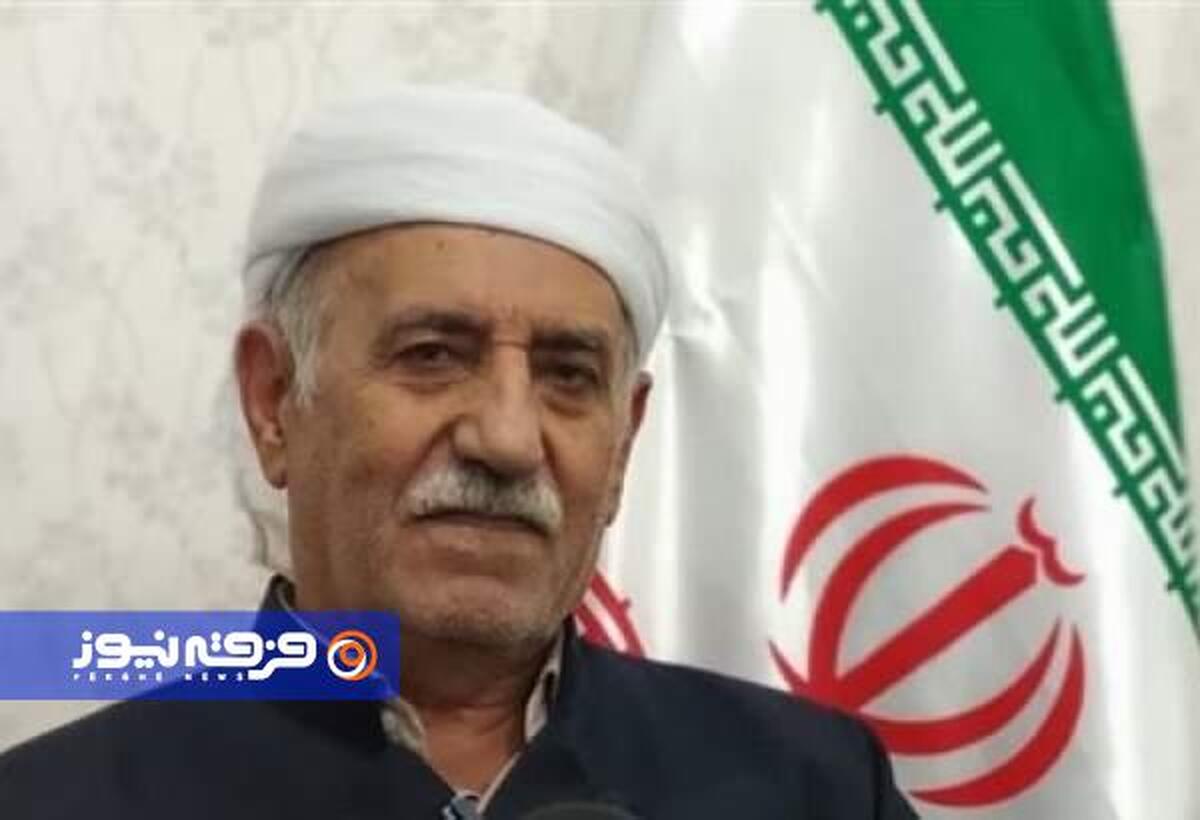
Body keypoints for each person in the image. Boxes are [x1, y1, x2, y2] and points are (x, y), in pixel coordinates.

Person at [0, 86, 917, 820]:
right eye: (432, 356)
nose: (508, 440)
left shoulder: (818, 788)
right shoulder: (55, 802)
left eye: (568, 375)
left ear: (624, 442)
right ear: (274, 402)